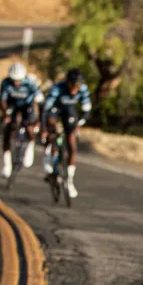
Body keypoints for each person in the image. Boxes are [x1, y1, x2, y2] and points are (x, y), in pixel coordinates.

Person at [39, 68, 92, 198]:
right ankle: (48, 156)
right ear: (67, 82)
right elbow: (45, 109)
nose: (75, 89)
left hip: (69, 112)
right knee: (51, 128)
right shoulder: (57, 88)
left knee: (72, 145)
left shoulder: (83, 90)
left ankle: (69, 181)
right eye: (73, 85)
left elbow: (86, 111)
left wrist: (79, 123)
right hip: (55, 109)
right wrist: (44, 128)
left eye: (78, 86)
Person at [0, 62, 43, 178]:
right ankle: (7, 165)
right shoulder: (5, 83)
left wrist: (37, 119)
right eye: (14, 80)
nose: (16, 83)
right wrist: (5, 113)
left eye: (18, 80)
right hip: (12, 105)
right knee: (8, 131)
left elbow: (39, 98)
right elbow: (2, 100)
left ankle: (30, 146)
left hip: (27, 106)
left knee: (30, 127)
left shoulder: (30, 83)